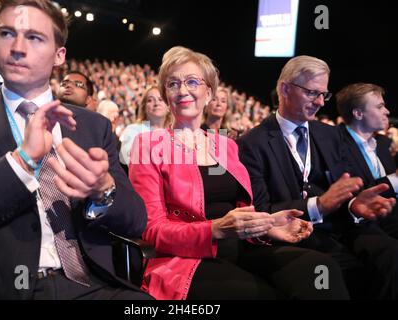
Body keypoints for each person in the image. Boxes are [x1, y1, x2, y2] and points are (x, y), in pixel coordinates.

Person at [0, 0, 149, 300]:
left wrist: (103, 191)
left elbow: (137, 220)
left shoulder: (94, 126)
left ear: (59, 55)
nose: (17, 47)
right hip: (4, 288)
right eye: (6, 34)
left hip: (91, 284)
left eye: (33, 37)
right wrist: (21, 162)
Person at [129, 46, 350, 300]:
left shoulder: (226, 145)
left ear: (208, 92)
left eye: (192, 81)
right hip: (187, 260)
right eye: (172, 84)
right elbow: (151, 230)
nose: (182, 90)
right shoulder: (149, 145)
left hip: (243, 248)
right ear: (165, 94)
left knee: (319, 270)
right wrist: (215, 230)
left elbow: (243, 212)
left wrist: (269, 225)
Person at [238, 55, 398, 299]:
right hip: (294, 233)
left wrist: (356, 204)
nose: (321, 102)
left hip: (342, 226)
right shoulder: (253, 143)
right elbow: (262, 209)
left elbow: (346, 189)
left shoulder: (330, 134)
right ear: (285, 89)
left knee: (390, 253)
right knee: (338, 271)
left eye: (324, 94)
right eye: (313, 93)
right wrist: (318, 205)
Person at [336, 83, 398, 238]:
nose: (387, 111)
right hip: (362, 231)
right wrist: (396, 179)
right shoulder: (337, 146)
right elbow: (356, 197)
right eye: (379, 107)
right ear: (358, 113)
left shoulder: (383, 144)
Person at [119, 86, 170, 168]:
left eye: (161, 99)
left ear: (168, 107)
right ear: (144, 108)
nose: (156, 103)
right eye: (150, 100)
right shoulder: (133, 130)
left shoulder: (174, 133)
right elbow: (130, 161)